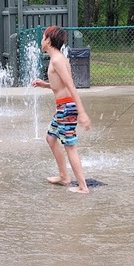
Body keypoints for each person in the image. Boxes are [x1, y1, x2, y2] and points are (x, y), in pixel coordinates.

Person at [31, 25, 93, 194]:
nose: (41, 40)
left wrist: (82, 112)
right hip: (63, 107)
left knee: (69, 146)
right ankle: (64, 176)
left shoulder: (57, 60)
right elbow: (60, 85)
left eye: (43, 37)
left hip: (67, 107)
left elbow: (70, 86)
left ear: (49, 40)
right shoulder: (58, 58)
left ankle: (82, 186)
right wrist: (44, 84)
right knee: (51, 138)